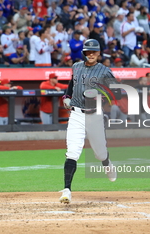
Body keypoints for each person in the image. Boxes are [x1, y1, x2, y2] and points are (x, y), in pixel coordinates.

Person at [59, 39, 117, 204]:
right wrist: (67, 96)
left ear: (99, 53)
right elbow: (72, 84)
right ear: (84, 53)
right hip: (76, 114)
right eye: (88, 52)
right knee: (72, 152)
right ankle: (67, 190)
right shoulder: (76, 67)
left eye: (94, 51)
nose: (91, 54)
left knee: (100, 153)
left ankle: (107, 163)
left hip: (95, 115)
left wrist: (100, 94)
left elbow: (117, 92)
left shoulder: (104, 71)